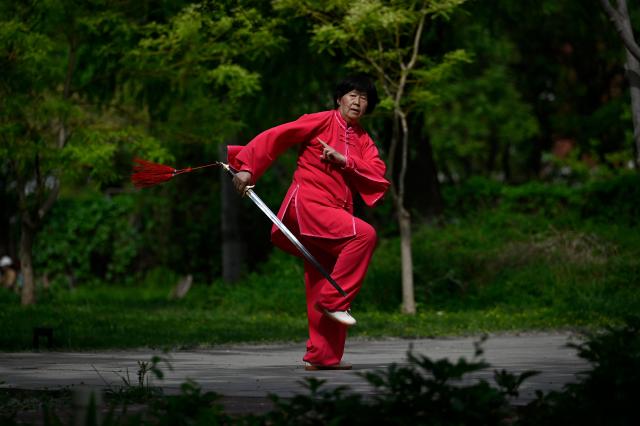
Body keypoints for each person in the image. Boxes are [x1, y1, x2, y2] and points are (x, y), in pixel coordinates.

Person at [228, 75, 390, 370]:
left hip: (336, 214)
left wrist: (345, 161)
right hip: (309, 206)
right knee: (364, 235)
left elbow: (378, 173)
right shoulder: (320, 120)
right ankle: (335, 300)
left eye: (364, 98)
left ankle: (322, 357)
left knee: (323, 279)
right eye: (352, 95)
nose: (357, 101)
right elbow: (277, 135)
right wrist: (247, 168)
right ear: (339, 98)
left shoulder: (364, 140)